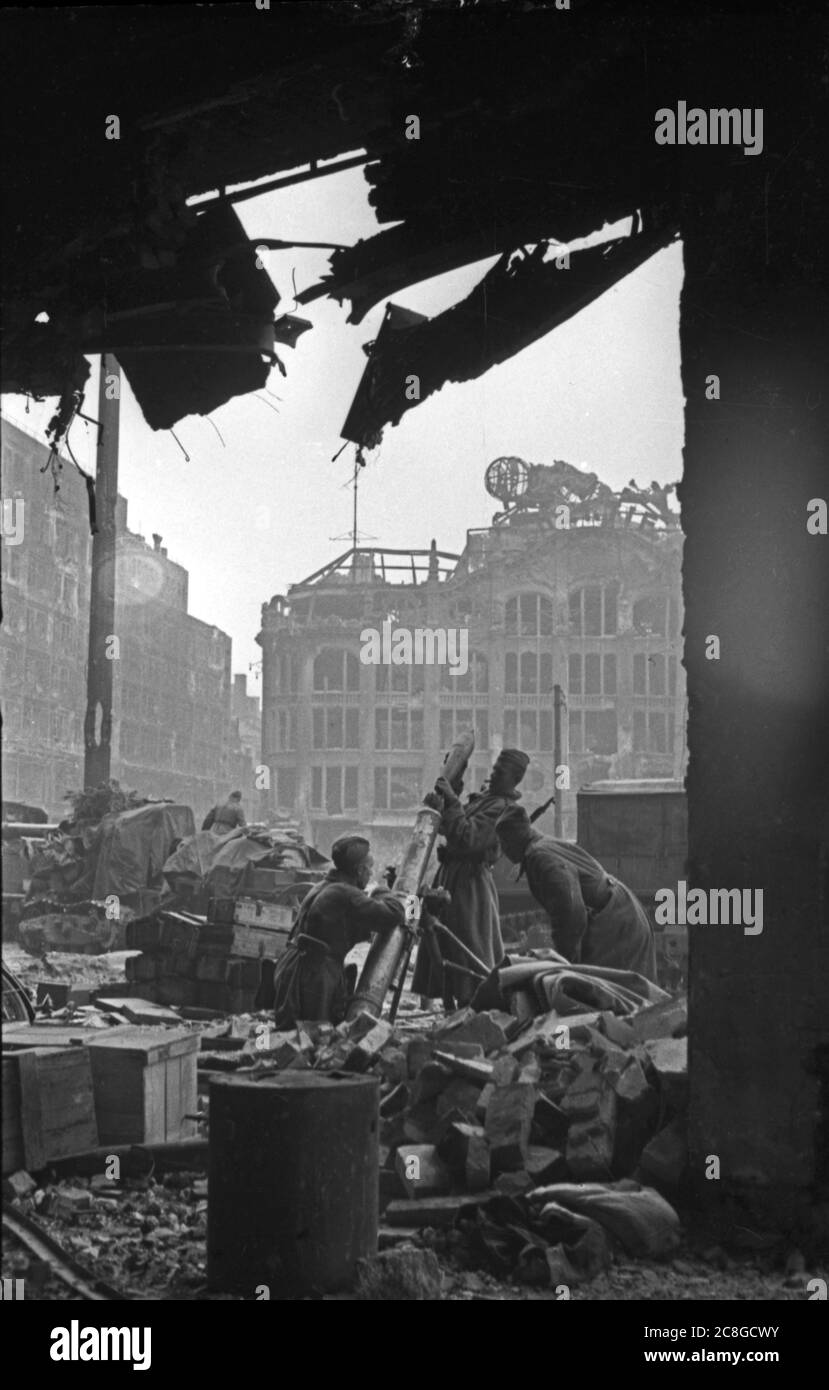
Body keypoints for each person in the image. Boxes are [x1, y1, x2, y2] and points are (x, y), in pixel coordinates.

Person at [411, 748, 530, 1009]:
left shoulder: (503, 808)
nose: (494, 774)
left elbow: (468, 838)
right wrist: (442, 804)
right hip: (452, 877)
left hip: (469, 887)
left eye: (501, 771)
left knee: (468, 948)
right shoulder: (487, 799)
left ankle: (472, 1009)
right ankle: (449, 1006)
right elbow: (452, 828)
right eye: (495, 769)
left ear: (514, 778)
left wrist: (452, 802)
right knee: (441, 943)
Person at [495, 804, 658, 983]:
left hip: (616, 919)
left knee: (612, 989)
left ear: (515, 838)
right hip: (621, 910)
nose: (503, 851)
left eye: (504, 843)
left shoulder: (540, 857)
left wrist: (566, 962)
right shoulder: (545, 846)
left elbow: (571, 911)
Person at [271, 834, 405, 1027]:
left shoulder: (325, 886)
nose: (371, 873)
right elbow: (394, 914)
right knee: (315, 1037)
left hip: (295, 967)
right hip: (314, 977)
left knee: (294, 1033)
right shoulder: (344, 894)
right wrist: (385, 891)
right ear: (359, 871)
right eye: (370, 868)